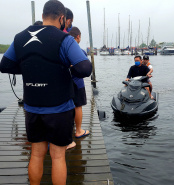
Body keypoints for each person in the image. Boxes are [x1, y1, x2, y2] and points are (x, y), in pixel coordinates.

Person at [0, 1, 92, 185]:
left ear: (42, 16)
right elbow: (84, 68)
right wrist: (65, 69)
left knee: (36, 153)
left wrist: (30, 68)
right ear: (62, 18)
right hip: (59, 108)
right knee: (58, 157)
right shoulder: (64, 39)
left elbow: (5, 65)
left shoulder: (19, 37)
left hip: (32, 108)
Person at [66, 27, 90, 150]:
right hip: (77, 83)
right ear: (78, 37)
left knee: (67, 107)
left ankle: (67, 133)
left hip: (65, 83)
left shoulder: (63, 49)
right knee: (78, 106)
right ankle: (79, 130)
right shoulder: (80, 51)